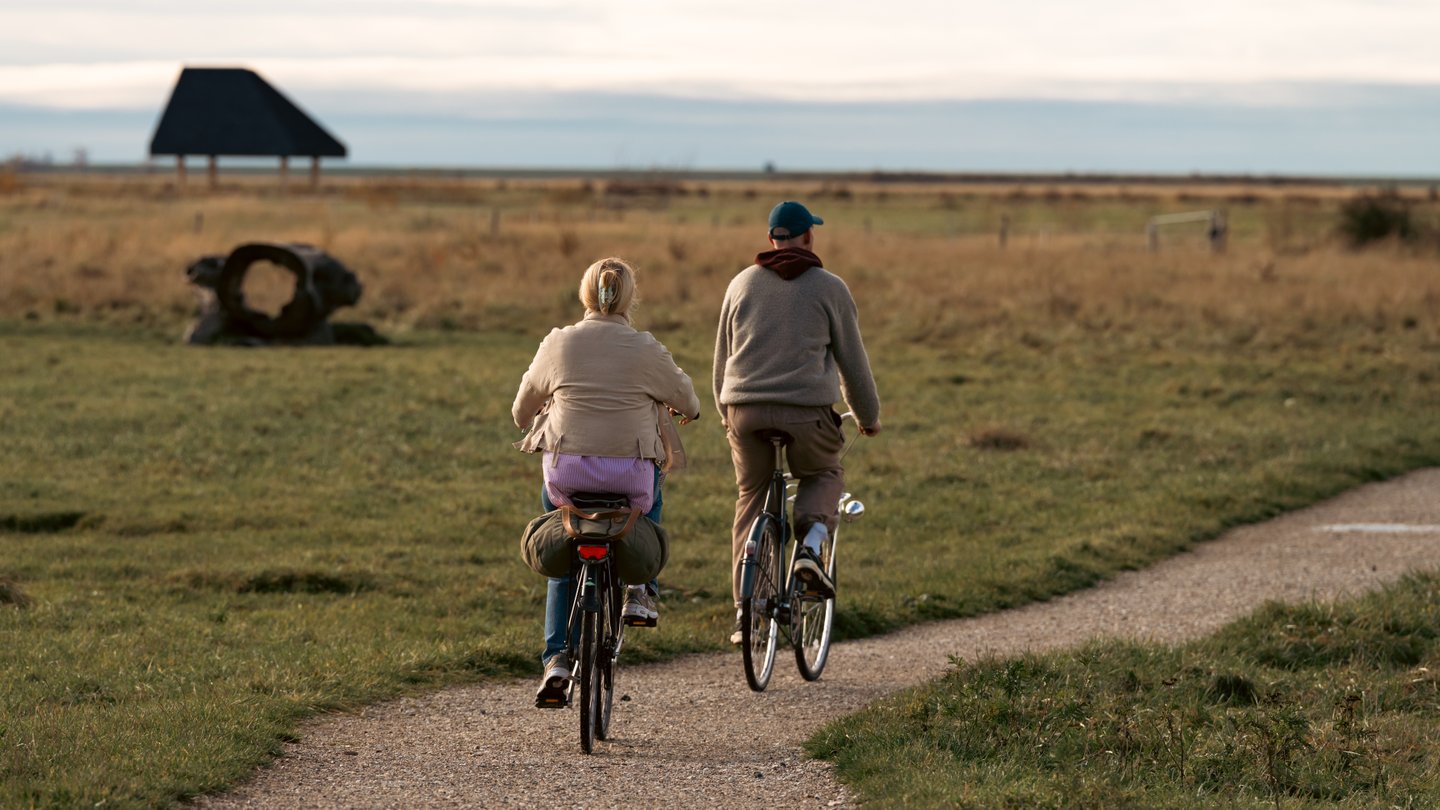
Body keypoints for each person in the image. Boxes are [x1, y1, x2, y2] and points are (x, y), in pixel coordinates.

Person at [513, 257, 700, 704]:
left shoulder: (558, 343)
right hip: (629, 478)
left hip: (567, 477)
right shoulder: (645, 347)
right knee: (650, 491)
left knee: (565, 545)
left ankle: (557, 659)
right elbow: (689, 403)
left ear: (585, 295)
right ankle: (640, 590)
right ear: (630, 297)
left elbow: (521, 411)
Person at [713, 201, 881, 643]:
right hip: (808, 414)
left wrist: (726, 414)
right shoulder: (830, 288)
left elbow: (721, 361)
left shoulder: (740, 284)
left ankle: (744, 614)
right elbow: (853, 366)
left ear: (772, 239)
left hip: (743, 411)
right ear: (808, 237)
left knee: (750, 496)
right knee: (824, 472)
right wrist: (868, 418)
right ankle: (809, 549)